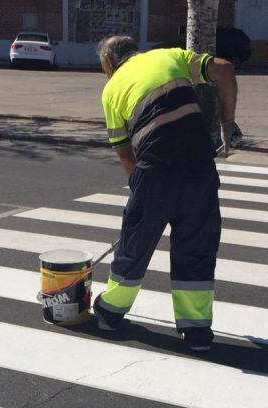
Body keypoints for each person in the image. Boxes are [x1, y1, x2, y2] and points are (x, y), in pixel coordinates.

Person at [94, 35, 240, 352]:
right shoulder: (168, 57)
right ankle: (196, 331)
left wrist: (142, 195)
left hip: (156, 172)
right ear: (135, 50)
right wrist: (228, 123)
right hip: (200, 170)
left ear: (109, 63)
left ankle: (110, 312)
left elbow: (125, 154)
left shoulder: (112, 90)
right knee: (196, 250)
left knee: (135, 246)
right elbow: (225, 70)